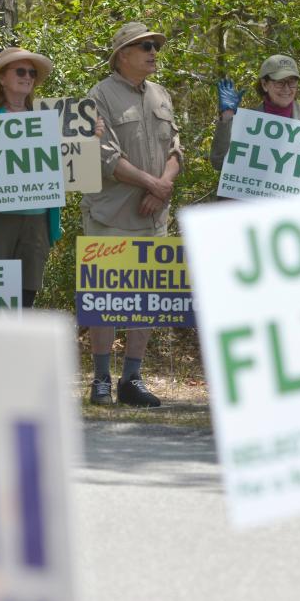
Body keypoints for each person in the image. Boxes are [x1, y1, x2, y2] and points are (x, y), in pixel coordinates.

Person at [81, 22, 183, 407]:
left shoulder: (161, 94)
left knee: (147, 299)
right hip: (110, 216)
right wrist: (152, 185)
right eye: (144, 47)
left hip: (153, 216)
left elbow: (176, 148)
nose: (154, 52)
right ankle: (102, 380)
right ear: (122, 54)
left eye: (155, 46)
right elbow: (106, 159)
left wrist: (163, 186)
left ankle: (132, 379)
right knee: (106, 299)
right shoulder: (97, 96)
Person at [0, 47, 103, 307]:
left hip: (36, 222)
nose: (28, 76)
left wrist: (89, 136)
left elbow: (70, 164)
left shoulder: (49, 120)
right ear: (2, 79)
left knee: (26, 298)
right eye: (20, 71)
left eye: (32, 73)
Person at [209, 54, 300, 171]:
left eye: (292, 82)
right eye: (280, 82)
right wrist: (227, 117)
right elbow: (219, 162)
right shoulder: (247, 121)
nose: (287, 88)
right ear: (264, 84)